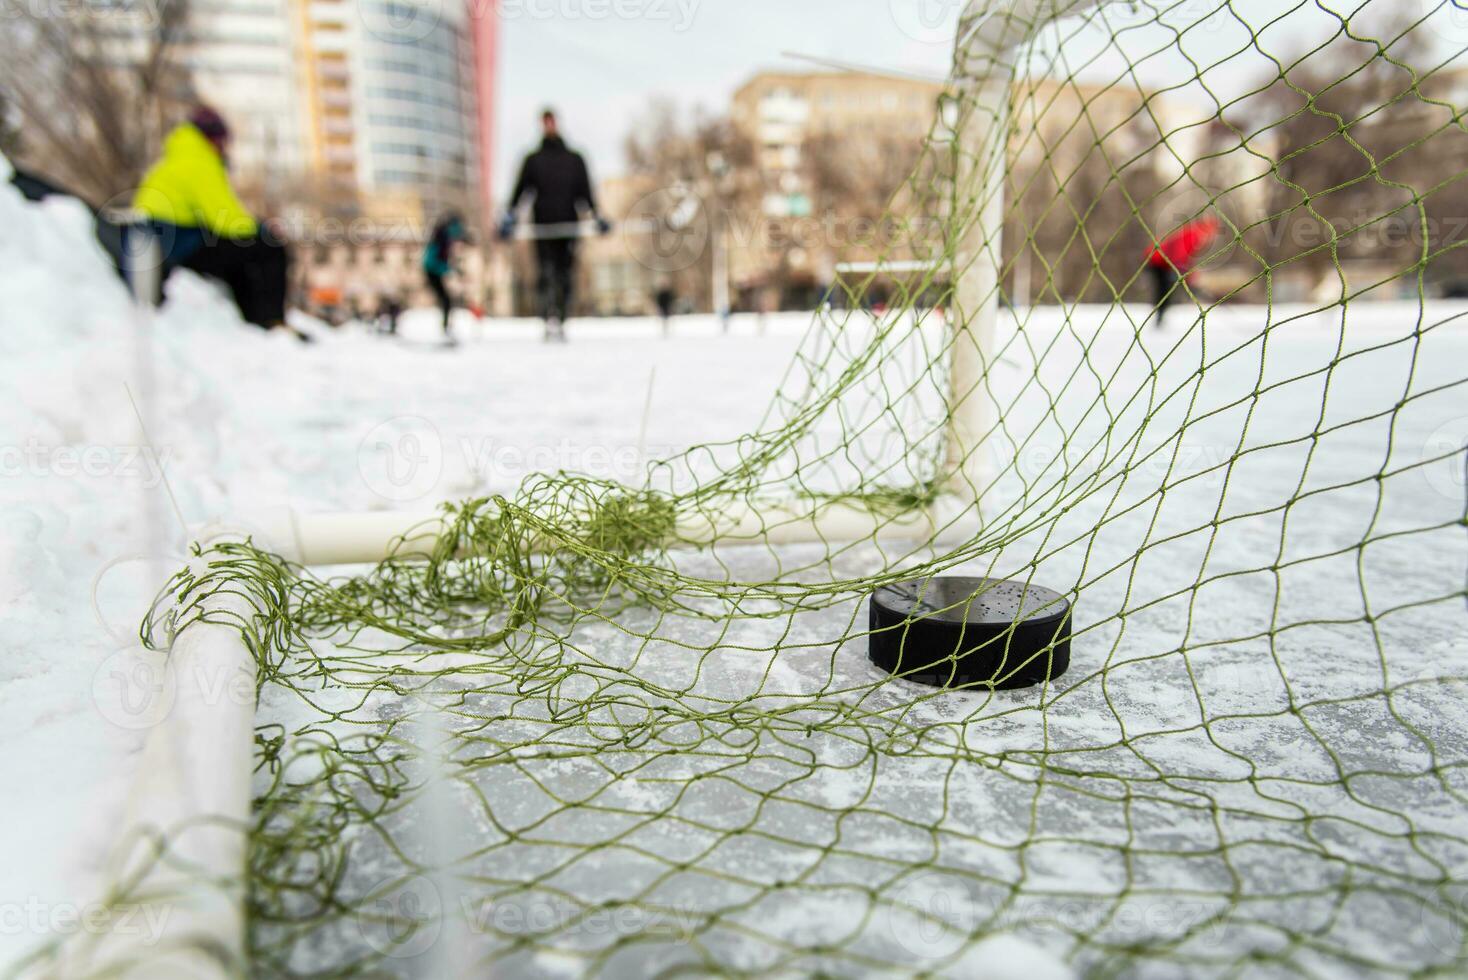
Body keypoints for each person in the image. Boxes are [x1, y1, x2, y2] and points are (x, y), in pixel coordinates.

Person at [133, 106, 295, 335]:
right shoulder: (200, 163)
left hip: (162, 244)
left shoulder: (173, 160)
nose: (224, 148)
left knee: (237, 256)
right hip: (178, 246)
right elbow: (227, 221)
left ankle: (254, 324)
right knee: (269, 246)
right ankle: (272, 321)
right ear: (211, 139)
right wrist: (262, 228)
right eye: (222, 141)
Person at [500, 109, 609, 341]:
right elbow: (521, 191)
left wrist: (596, 216)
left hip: (568, 226)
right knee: (546, 273)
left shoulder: (575, 159)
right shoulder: (533, 160)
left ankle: (561, 318)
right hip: (543, 227)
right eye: (545, 122)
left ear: (558, 123)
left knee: (565, 275)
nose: (549, 125)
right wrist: (510, 216)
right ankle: (548, 317)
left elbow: (585, 193)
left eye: (552, 121)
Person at [1145, 215, 1220, 328]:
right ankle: (1159, 319)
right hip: (1157, 260)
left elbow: (1185, 257)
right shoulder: (1193, 234)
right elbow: (1179, 253)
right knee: (1164, 291)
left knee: (1165, 291)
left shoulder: (1193, 234)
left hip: (1163, 261)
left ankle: (1160, 318)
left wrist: (1188, 273)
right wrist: (1181, 271)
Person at [423, 212, 467, 342]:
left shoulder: (443, 236)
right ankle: (446, 329)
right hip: (431, 271)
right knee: (446, 299)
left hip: (434, 270)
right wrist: (449, 269)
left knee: (446, 299)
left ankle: (447, 328)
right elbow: (434, 260)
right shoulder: (442, 237)